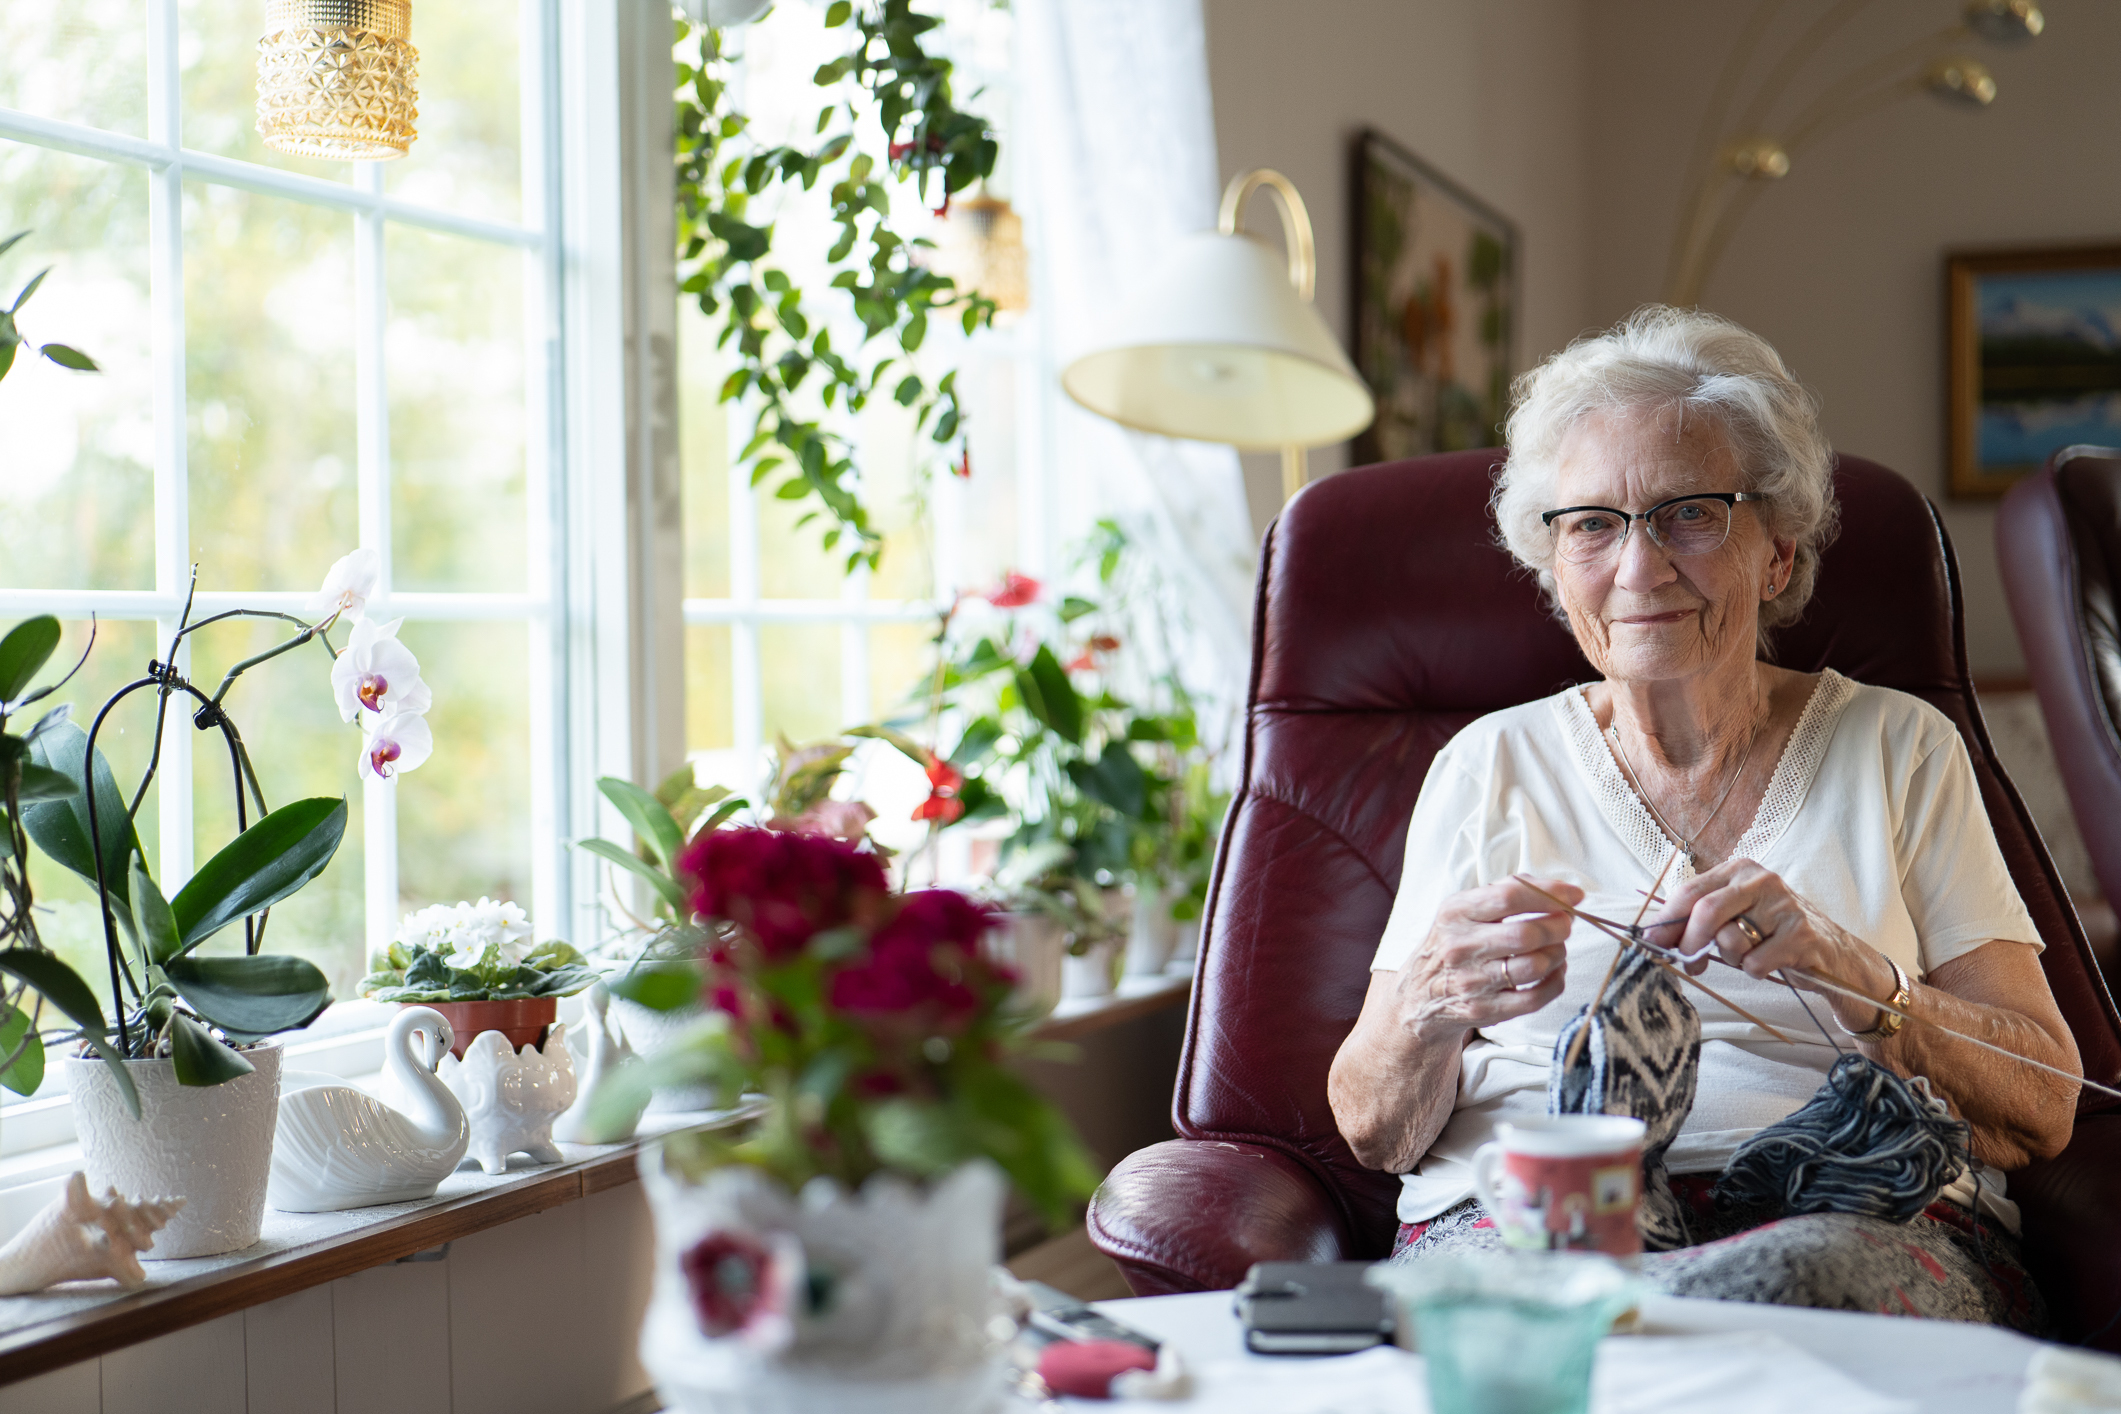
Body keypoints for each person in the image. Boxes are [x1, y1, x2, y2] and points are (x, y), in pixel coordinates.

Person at [1327, 306, 2081, 1327]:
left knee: (1788, 1289)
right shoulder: (1487, 765)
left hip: (1849, 1215)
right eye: (1591, 522)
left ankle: (1654, 1320)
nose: (1639, 568)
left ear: (1777, 550)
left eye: (1690, 512)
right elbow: (1374, 1128)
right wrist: (1429, 1002)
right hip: (1536, 1213)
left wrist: (1862, 981)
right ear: (1553, 564)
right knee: (1551, 1289)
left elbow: (2043, 1106)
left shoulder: (1900, 747)